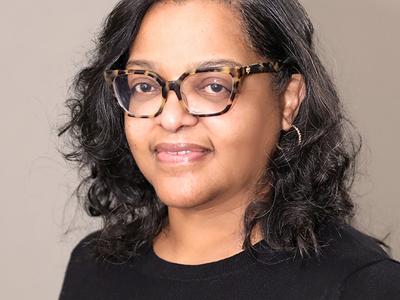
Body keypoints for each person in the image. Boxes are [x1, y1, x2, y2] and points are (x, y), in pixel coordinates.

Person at [58, 0, 400, 299]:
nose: (172, 117)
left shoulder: (363, 286)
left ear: (288, 100)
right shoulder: (93, 268)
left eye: (213, 85)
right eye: (145, 85)